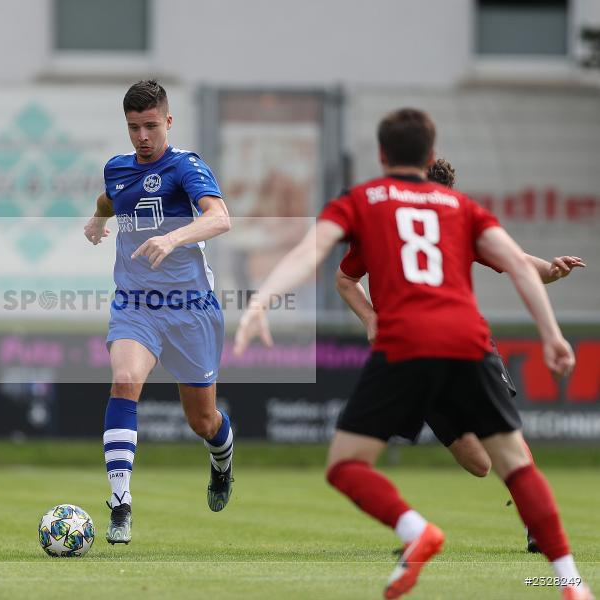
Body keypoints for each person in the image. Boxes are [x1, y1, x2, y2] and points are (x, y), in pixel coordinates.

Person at [234, 109, 592, 600]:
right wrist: (551, 331)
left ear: (382, 156)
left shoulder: (364, 201)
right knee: (493, 463)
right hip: (463, 340)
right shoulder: (462, 209)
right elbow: (522, 267)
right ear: (430, 155)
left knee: (345, 464)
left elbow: (308, 251)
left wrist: (261, 299)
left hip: (407, 347)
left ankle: (416, 530)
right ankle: (570, 581)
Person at [334, 157, 586, 553]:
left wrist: (552, 271)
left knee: (502, 437)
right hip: (413, 352)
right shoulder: (379, 226)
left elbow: (515, 261)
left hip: (467, 342)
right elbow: (346, 278)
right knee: (479, 463)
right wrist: (370, 318)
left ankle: (538, 527)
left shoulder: (456, 222)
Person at [84, 80, 233, 544]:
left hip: (191, 309)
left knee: (202, 421)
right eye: (134, 127)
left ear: (168, 121)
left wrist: (172, 238)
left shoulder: (186, 167)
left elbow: (219, 217)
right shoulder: (117, 168)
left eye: (151, 126)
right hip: (136, 305)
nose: (143, 137)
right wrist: (97, 220)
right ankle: (120, 503)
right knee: (125, 381)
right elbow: (110, 198)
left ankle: (222, 460)